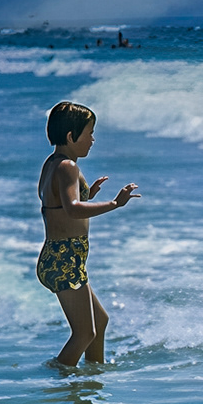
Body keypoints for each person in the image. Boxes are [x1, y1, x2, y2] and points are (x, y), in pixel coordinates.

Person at [35, 100, 140, 367]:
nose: (93, 140)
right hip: (64, 258)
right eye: (89, 133)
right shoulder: (67, 166)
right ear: (71, 136)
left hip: (61, 257)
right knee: (84, 332)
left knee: (99, 323)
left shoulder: (52, 164)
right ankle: (58, 378)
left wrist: (87, 194)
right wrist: (115, 204)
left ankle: (94, 377)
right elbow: (72, 210)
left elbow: (55, 203)